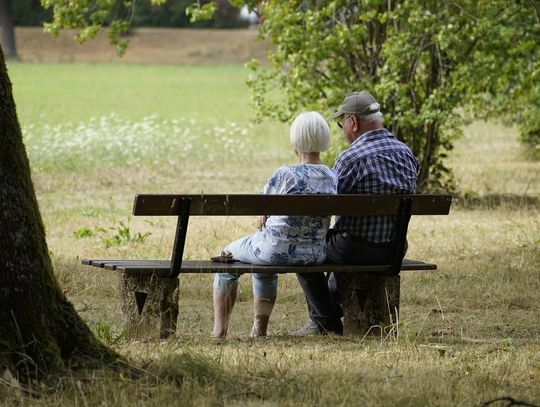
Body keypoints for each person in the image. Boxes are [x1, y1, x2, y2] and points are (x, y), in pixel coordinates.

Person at [293, 91, 418, 336]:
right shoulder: (407, 154)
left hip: (355, 249)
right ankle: (330, 309)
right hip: (394, 249)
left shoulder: (350, 158)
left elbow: (326, 204)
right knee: (338, 241)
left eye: (342, 124)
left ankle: (325, 321)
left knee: (302, 248)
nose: (342, 130)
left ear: (353, 122)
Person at [212, 111, 337, 338]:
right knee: (262, 259)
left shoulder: (285, 174)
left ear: (295, 141)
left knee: (226, 256)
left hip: (274, 251)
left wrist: (265, 212)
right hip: (313, 254)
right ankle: (258, 330)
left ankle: (219, 331)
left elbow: (260, 205)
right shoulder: (331, 176)